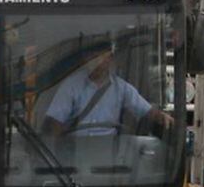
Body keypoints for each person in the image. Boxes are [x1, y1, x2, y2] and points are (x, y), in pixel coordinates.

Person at [40, 44, 173, 140]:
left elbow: (147, 111)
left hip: (109, 152)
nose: (97, 63)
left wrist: (162, 117)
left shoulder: (121, 88)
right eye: (93, 58)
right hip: (76, 149)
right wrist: (58, 152)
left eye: (101, 57)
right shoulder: (71, 86)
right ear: (85, 60)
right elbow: (55, 122)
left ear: (110, 59)